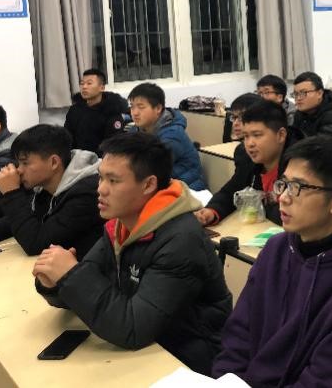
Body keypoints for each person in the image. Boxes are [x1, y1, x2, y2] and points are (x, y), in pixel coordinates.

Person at [32, 133, 231, 375]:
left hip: (190, 359)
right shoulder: (121, 224)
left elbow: (134, 329)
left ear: (148, 184)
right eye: (101, 177)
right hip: (148, 349)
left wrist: (70, 274)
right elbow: (84, 291)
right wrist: (55, 282)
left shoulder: (180, 241)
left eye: (113, 181)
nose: (101, 189)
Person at [212, 137, 332, 386]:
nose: (283, 198)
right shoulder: (276, 248)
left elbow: (326, 378)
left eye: (298, 188)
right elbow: (240, 333)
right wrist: (226, 379)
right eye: (283, 184)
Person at [0, 125, 102, 257]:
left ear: (54, 162)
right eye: (19, 163)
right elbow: (24, 217)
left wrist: (11, 194)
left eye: (25, 163)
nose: (19, 170)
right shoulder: (45, 186)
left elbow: (36, 244)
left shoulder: (86, 194)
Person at [196, 100, 303, 227]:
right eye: (246, 136)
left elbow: (295, 213)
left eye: (257, 135)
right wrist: (212, 211)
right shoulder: (247, 160)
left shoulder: (300, 165)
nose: (250, 143)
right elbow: (231, 191)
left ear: (281, 135)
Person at [128, 83, 206, 190]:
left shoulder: (173, 135)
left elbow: (148, 169)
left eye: (141, 107)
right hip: (163, 186)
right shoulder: (137, 129)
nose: (135, 113)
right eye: (132, 107)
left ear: (158, 108)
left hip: (187, 190)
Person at [63, 68, 128, 154]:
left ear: (102, 88)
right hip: (76, 157)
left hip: (102, 158)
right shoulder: (75, 110)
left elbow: (113, 144)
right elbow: (67, 137)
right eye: (82, 83)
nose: (84, 87)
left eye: (89, 83)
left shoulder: (112, 110)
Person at [292, 71, 332, 147]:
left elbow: (322, 148)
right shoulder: (300, 113)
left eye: (303, 93)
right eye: (296, 94)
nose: (298, 98)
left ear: (319, 93)